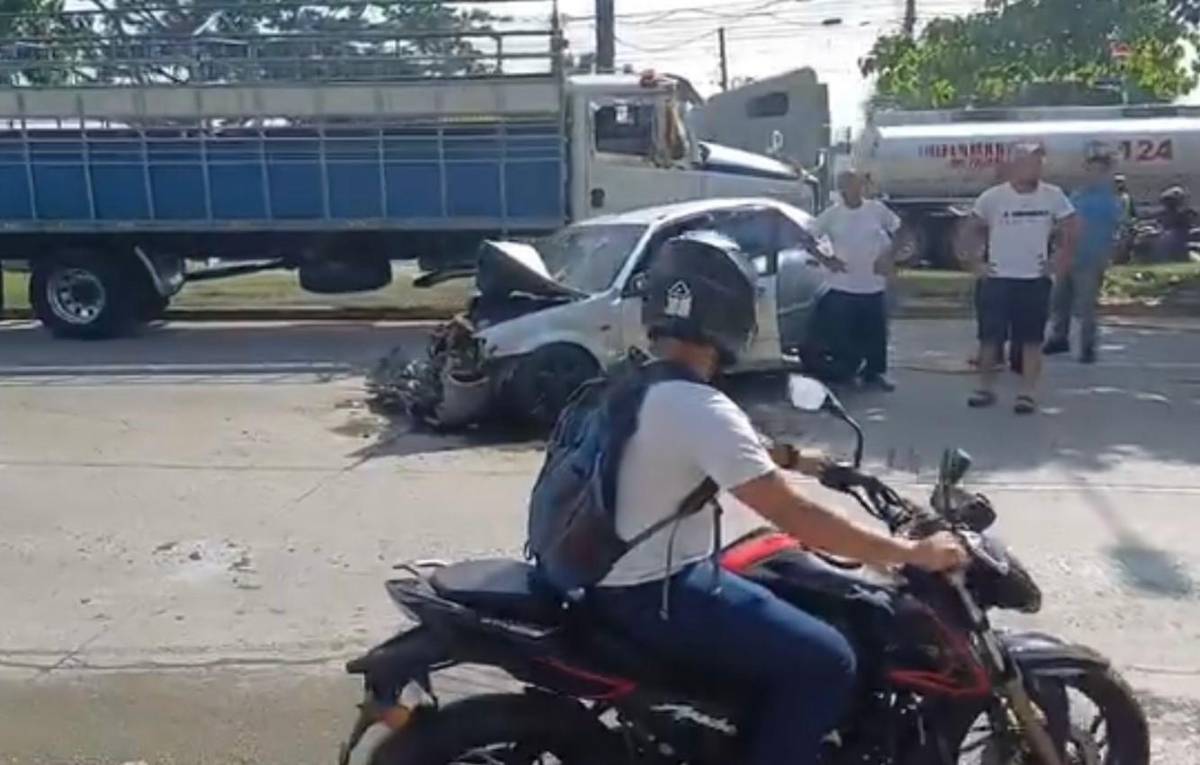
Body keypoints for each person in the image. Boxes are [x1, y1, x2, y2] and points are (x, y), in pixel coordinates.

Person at [589, 232, 967, 765]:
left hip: (604, 574)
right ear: (729, 314)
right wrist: (911, 554)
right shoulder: (698, 404)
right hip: (652, 591)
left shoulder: (631, 381)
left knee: (776, 565)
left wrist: (797, 460)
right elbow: (796, 514)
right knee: (828, 659)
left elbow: (697, 446)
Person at [961, 143, 1078, 415]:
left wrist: (1060, 260)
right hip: (997, 279)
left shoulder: (1053, 195)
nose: (1035, 168)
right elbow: (969, 229)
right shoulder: (993, 197)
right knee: (990, 338)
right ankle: (985, 388)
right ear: (1015, 165)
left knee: (1031, 339)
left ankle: (1027, 393)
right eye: (1029, 162)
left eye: (1039, 163)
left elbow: (1071, 228)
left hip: (1033, 279)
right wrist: (974, 263)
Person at [811, 170, 904, 392]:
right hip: (843, 284)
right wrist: (827, 259)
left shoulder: (876, 210)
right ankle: (847, 372)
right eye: (845, 185)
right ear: (840, 189)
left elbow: (900, 231)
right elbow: (807, 237)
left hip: (872, 283)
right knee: (843, 334)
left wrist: (888, 257)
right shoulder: (832, 215)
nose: (851, 189)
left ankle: (875, 373)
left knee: (876, 331)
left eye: (854, 184)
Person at [1044, 153, 1123, 363]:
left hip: (1091, 256)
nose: (1092, 175)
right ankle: (1059, 338)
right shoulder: (1077, 195)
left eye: (1097, 170)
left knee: (1086, 304)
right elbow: (1064, 221)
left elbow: (1117, 227)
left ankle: (1088, 347)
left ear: (1105, 173)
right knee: (1059, 299)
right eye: (1089, 170)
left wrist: (1111, 252)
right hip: (1068, 254)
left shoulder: (1110, 199)